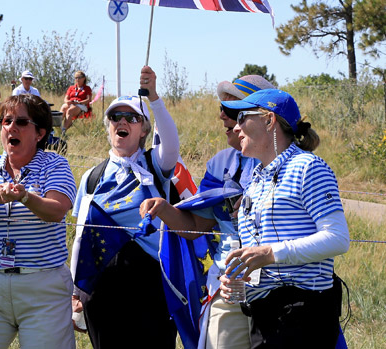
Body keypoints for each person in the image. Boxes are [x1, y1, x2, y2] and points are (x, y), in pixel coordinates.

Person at [140, 75, 274, 349]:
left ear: (263, 116)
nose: (222, 116)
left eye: (232, 109)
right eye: (221, 108)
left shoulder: (294, 165)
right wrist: (164, 209)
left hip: (280, 290)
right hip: (229, 288)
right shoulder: (220, 165)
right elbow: (196, 227)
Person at [219, 89, 350, 348]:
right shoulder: (255, 182)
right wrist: (236, 276)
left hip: (304, 311)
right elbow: (260, 256)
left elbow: (338, 238)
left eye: (243, 117)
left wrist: (270, 253)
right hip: (263, 316)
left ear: (269, 120)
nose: (235, 127)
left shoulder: (308, 167)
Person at [0, 94, 77, 349]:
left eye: (21, 121)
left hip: (43, 289)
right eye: (6, 121)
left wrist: (25, 197)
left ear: (40, 133)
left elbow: (56, 210)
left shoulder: (55, 165)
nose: (11, 127)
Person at [71, 66, 179, 348]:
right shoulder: (92, 177)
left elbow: (171, 144)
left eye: (132, 117)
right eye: (115, 116)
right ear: (108, 126)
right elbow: (80, 235)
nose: (122, 121)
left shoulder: (155, 165)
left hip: (151, 282)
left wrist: (153, 98)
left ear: (143, 129)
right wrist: (75, 287)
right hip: (102, 285)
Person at [59, 70, 92, 135]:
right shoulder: (71, 88)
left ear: (83, 78)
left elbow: (88, 99)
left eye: (79, 77)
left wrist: (79, 103)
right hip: (72, 103)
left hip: (81, 105)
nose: (77, 79)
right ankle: (58, 125)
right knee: (63, 107)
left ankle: (64, 130)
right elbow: (66, 98)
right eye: (76, 78)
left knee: (70, 111)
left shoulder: (87, 88)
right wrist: (68, 101)